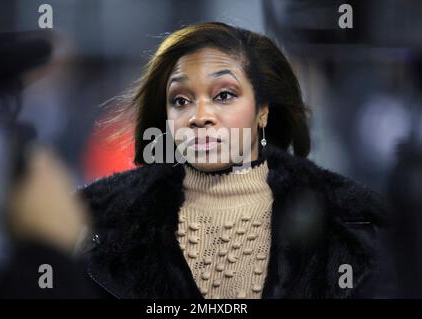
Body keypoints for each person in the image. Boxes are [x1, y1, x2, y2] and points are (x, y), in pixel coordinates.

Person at [78, 22, 396, 298]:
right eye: (181, 100)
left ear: (262, 110)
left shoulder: (351, 234)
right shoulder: (104, 234)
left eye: (224, 95)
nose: (200, 116)